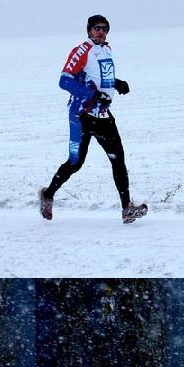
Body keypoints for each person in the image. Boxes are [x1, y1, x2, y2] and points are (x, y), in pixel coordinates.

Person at [39, 15, 147, 224]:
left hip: (103, 116)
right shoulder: (82, 50)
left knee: (118, 161)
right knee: (75, 162)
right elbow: (64, 80)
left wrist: (117, 83)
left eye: (105, 29)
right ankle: (47, 195)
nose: (101, 32)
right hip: (82, 116)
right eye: (97, 28)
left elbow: (98, 76)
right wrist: (91, 95)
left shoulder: (106, 49)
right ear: (89, 30)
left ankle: (127, 209)